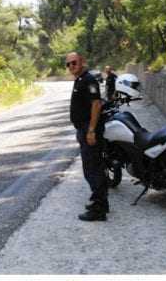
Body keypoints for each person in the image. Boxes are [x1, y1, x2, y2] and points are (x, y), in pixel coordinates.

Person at [66, 52, 109, 221]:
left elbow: (96, 103)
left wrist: (91, 130)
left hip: (88, 130)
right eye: (68, 64)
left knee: (92, 169)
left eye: (74, 62)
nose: (71, 66)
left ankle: (99, 209)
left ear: (82, 61)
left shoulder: (89, 80)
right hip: (83, 129)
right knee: (92, 167)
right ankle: (100, 202)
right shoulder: (80, 79)